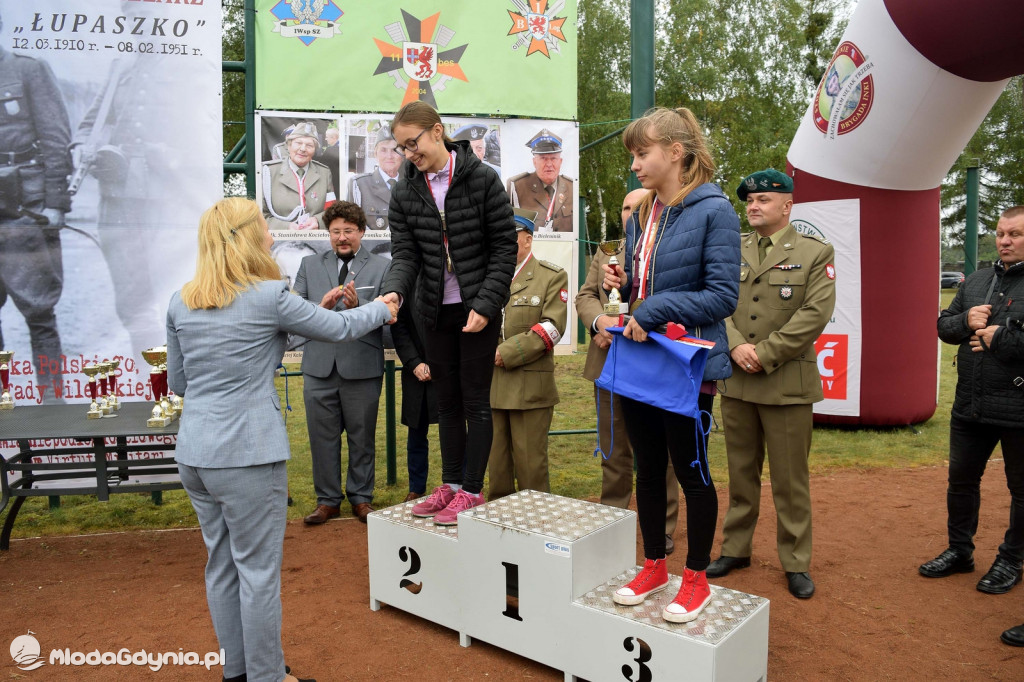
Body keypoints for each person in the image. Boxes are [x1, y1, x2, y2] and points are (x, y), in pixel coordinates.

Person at [166, 197, 396, 682]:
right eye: (263, 228)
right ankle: (268, 677)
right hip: (248, 453)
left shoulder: (181, 299)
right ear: (247, 237)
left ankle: (238, 672)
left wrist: (313, 307)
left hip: (195, 452)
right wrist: (382, 306)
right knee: (257, 574)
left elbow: (180, 383)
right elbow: (338, 328)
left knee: (222, 567)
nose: (271, 234)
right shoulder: (268, 293)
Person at [603, 107, 740, 623]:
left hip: (689, 367)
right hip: (641, 361)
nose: (636, 164)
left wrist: (651, 308)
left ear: (676, 153)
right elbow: (649, 288)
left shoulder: (716, 210)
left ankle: (697, 578)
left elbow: (722, 296)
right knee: (647, 468)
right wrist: (626, 283)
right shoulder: (645, 213)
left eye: (643, 153)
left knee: (692, 470)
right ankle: (656, 566)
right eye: (634, 155)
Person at [382, 100, 517, 526]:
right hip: (433, 311)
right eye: (402, 147)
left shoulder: (483, 178)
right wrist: (393, 294)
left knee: (476, 402)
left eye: (413, 143)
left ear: (437, 132)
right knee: (446, 402)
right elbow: (404, 255)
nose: (409, 154)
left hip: (476, 309)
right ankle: (452, 485)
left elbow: (503, 248)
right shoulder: (405, 190)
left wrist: (487, 302)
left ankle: (473, 491)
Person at [706, 169, 836, 600]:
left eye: (763, 199)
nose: (754, 206)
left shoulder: (815, 252)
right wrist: (738, 346)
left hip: (785, 384)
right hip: (738, 380)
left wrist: (764, 353)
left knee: (789, 480)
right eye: (750, 200)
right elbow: (720, 301)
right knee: (741, 474)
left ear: (787, 205)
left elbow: (814, 314)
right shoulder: (734, 248)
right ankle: (736, 549)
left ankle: (795, 561)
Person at [921, 206, 1024, 597]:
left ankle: (1012, 559)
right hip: (970, 404)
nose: (1004, 241)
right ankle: (959, 551)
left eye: (1014, 234)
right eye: (1000, 234)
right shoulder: (977, 280)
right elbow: (943, 327)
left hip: (1018, 409)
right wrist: (965, 322)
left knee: (1021, 491)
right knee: (961, 482)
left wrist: (1002, 337)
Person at [575, 188, 680, 554]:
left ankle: (663, 527)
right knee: (613, 449)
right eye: (624, 206)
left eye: (639, 206)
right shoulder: (608, 252)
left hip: (654, 363)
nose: (630, 211)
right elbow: (585, 296)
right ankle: (612, 520)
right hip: (610, 363)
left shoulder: (667, 247)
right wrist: (599, 321)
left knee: (660, 451)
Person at [295, 201, 390, 525]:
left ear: (361, 232)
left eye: (348, 231)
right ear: (328, 233)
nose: (342, 237)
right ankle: (327, 501)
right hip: (319, 367)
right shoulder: (309, 264)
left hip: (362, 366)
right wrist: (319, 305)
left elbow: (390, 314)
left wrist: (360, 304)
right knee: (321, 439)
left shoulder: (381, 266)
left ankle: (361, 498)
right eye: (336, 231)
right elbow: (294, 311)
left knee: (362, 438)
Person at [0, 23, 72, 400]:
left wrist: (56, 203)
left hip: (26, 209)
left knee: (40, 311)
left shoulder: (27, 69)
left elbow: (56, 138)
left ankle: (52, 400)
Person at [487, 208, 568, 499]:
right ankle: (497, 531)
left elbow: (552, 327)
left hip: (529, 387)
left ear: (527, 240)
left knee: (531, 470)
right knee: (496, 470)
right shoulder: (486, 276)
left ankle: (536, 532)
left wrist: (504, 353)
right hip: (490, 386)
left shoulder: (551, 276)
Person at [390, 293, 438, 501]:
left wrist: (441, 364)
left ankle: (457, 485)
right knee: (416, 432)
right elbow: (399, 329)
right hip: (415, 372)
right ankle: (416, 488)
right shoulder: (408, 285)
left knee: (452, 431)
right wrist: (414, 363)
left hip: (447, 368)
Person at [262, 122, 335, 231]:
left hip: (315, 239)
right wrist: (286, 227)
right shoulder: (269, 172)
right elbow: (260, 214)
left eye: (309, 145)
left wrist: (318, 221)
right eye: (298, 143)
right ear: (289, 145)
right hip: (278, 242)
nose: (303, 149)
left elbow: (332, 210)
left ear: (314, 150)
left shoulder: (324, 173)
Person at [506, 129, 574, 233]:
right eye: (543, 158)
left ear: (560, 162)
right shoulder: (517, 187)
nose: (549, 164)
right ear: (534, 162)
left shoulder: (572, 187)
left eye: (553, 158)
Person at [348, 124, 402, 230]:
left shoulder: (411, 186)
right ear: (375, 154)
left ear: (403, 154)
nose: (389, 156)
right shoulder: (359, 185)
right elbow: (351, 227)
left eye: (395, 150)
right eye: (383, 150)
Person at [319, 125, 341, 206]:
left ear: (334, 137)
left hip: (333, 183)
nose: (325, 139)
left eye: (327, 137)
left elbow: (320, 164)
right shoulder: (343, 148)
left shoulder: (331, 150)